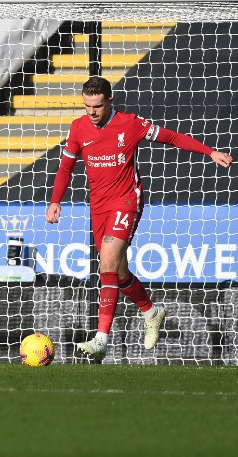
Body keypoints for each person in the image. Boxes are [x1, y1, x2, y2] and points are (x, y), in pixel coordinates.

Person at [46, 76, 232, 358]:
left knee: (107, 261)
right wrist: (55, 201)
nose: (92, 112)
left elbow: (171, 137)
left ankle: (101, 340)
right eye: (87, 106)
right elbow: (65, 167)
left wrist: (210, 152)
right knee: (118, 272)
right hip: (99, 206)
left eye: (97, 106)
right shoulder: (78, 128)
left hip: (126, 201)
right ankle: (151, 312)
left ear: (110, 101)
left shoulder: (130, 124)